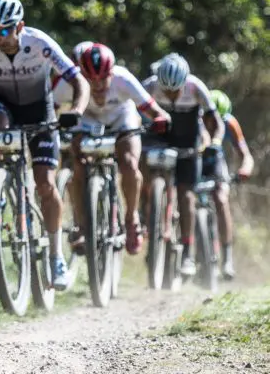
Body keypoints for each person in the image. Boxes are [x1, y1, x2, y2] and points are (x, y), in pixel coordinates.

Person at [0, 0, 89, 290]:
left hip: (40, 108)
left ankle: (56, 257)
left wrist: (76, 111)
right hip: (2, 105)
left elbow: (78, 80)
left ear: (20, 26)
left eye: (6, 30)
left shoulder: (39, 43)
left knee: (44, 183)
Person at [54, 43, 171, 256]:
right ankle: (81, 223)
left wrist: (162, 118)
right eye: (91, 80)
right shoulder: (70, 81)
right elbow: (50, 105)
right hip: (88, 120)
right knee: (77, 163)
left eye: (103, 79)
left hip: (122, 119)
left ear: (111, 73)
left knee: (128, 162)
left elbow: (152, 108)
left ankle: (131, 218)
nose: (97, 85)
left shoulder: (123, 79)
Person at [142, 54, 224, 277]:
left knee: (186, 195)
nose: (170, 94)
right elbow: (131, 112)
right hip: (158, 138)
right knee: (143, 172)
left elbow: (215, 123)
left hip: (188, 142)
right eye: (165, 91)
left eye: (175, 90)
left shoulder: (196, 88)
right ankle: (145, 217)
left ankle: (188, 250)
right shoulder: (149, 86)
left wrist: (214, 142)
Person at [205, 89, 254, 279]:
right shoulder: (195, 119)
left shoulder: (230, 123)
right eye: (208, 119)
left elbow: (246, 155)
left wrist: (244, 170)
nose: (210, 124)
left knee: (221, 199)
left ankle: (227, 259)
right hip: (196, 159)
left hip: (217, 163)